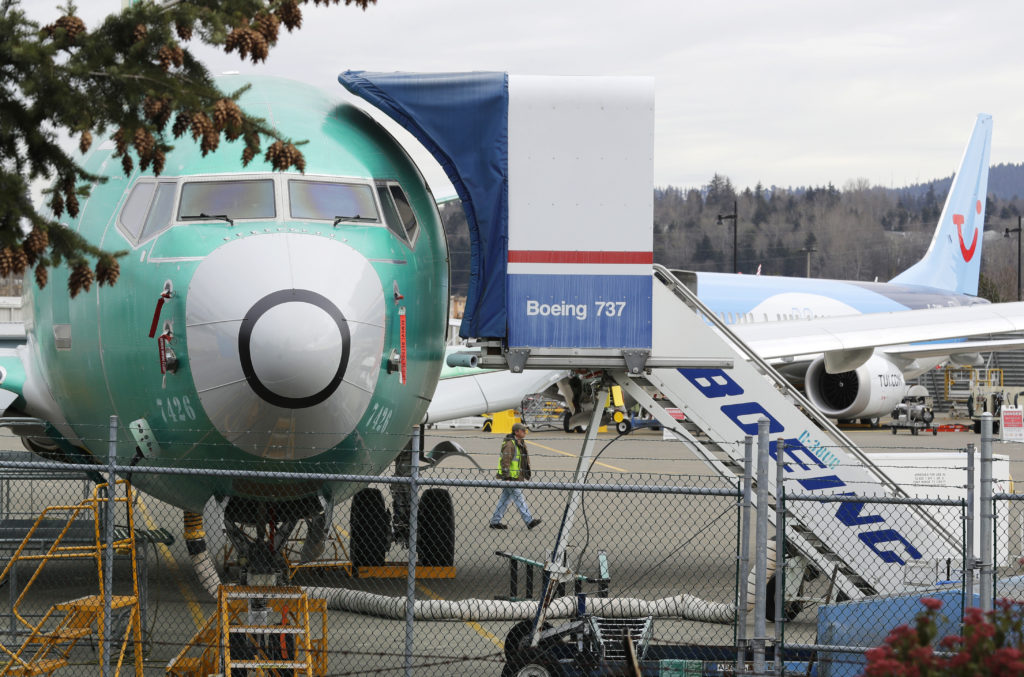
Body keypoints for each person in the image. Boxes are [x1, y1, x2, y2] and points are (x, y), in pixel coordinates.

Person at [489, 422, 541, 530]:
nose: (525, 432)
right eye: (523, 430)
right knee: (519, 498)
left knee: (504, 499)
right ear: (516, 432)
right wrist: (507, 477)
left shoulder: (520, 442)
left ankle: (495, 521)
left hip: (515, 476)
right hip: (510, 478)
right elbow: (505, 461)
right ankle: (529, 521)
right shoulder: (510, 444)